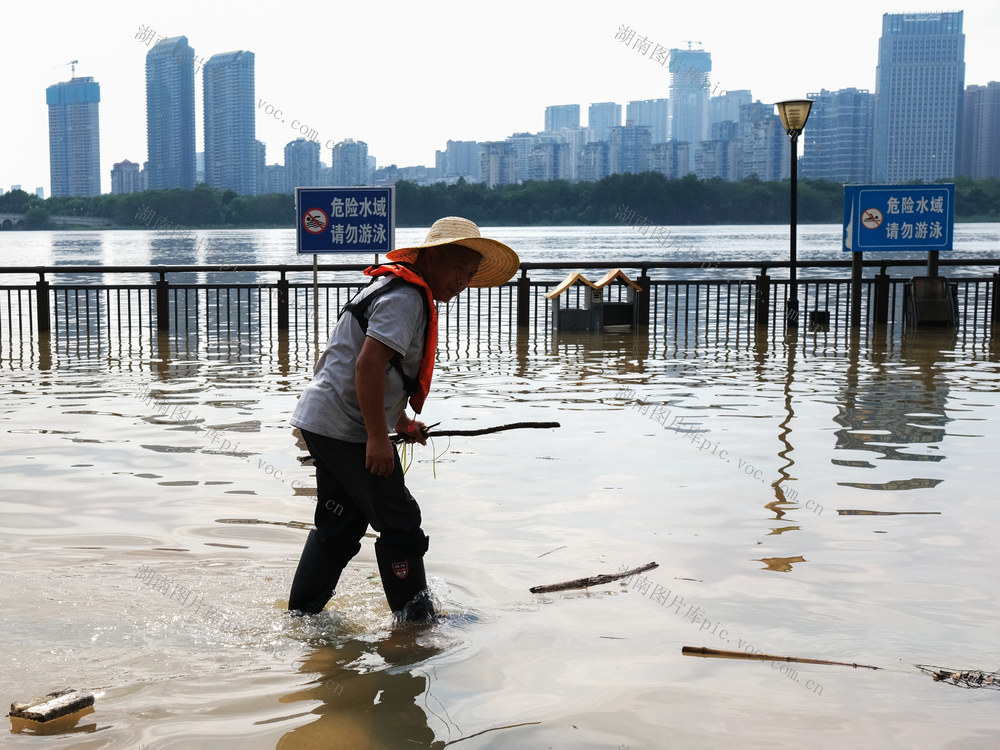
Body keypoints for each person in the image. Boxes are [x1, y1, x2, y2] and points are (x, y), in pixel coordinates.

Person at [287, 216, 520, 622]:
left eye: (470, 274)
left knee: (339, 527)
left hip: (325, 421)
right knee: (401, 523)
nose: (463, 281)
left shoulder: (400, 290)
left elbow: (375, 370)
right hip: (346, 428)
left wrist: (399, 424)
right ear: (431, 258)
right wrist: (377, 440)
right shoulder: (406, 298)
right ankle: (417, 627)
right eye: (458, 269)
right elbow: (367, 367)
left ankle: (302, 618)